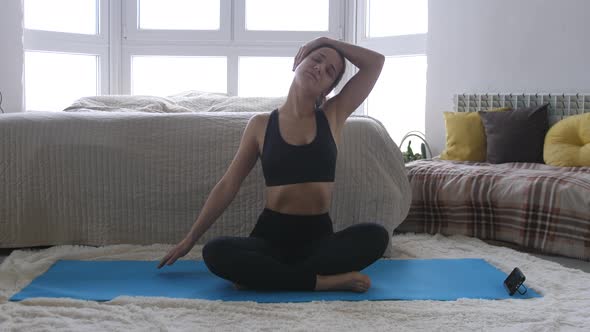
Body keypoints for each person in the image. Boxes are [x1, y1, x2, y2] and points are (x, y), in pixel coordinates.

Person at [158, 36, 387, 293]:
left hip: (318, 240)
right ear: (298, 62)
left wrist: (325, 41)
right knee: (215, 252)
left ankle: (270, 277)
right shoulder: (261, 124)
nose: (320, 68)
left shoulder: (334, 114)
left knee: (376, 236)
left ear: (328, 89)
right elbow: (228, 185)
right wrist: (190, 239)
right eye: (316, 59)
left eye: (329, 71)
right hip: (270, 239)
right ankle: (321, 281)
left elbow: (375, 63)